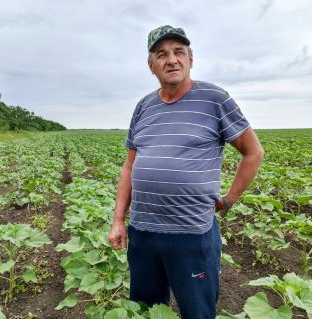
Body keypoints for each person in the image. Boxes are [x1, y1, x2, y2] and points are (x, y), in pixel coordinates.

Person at [108, 25, 264, 319]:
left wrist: (230, 198)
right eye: (161, 54)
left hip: (191, 235)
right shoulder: (143, 106)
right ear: (150, 65)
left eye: (179, 52)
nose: (172, 60)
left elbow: (253, 152)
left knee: (198, 312)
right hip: (143, 232)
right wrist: (118, 221)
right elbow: (129, 165)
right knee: (146, 310)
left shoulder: (215, 99)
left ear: (191, 59)